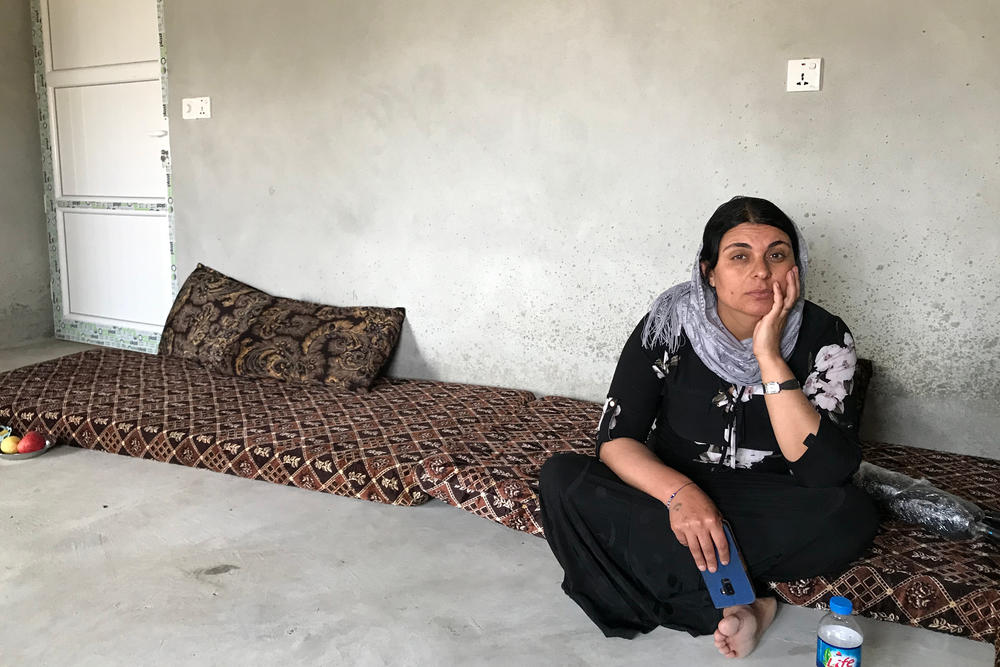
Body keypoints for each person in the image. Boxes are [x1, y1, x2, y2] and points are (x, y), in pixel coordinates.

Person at [538, 196, 880, 659]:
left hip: (771, 496)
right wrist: (681, 496)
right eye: (740, 256)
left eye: (777, 255)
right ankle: (749, 602)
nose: (762, 271)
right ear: (708, 271)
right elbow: (616, 439)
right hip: (673, 487)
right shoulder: (667, 326)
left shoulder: (825, 336)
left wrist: (770, 357)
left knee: (848, 516)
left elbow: (824, 470)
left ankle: (695, 585)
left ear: (795, 267)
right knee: (562, 477)